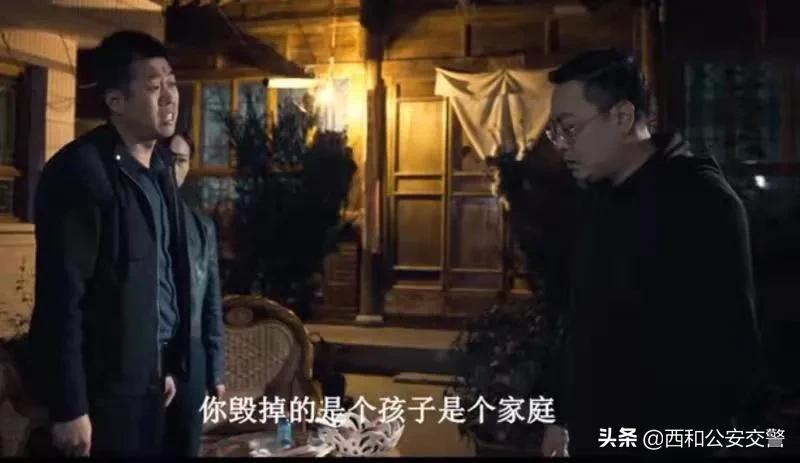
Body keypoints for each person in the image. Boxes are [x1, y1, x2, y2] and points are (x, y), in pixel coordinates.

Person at [538, 49, 764, 456]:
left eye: (570, 129)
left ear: (623, 117)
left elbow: (728, 351)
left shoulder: (700, 201)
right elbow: (577, 319)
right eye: (555, 133)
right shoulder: (597, 197)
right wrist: (560, 416)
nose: (562, 146)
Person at [27, 30, 191, 457]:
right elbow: (62, 294)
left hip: (152, 379)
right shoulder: (81, 171)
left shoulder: (160, 169)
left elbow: (163, 278)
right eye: (154, 88)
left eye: (172, 84)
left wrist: (166, 363)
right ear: (116, 100)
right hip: (102, 389)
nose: (170, 98)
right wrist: (69, 405)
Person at [161, 132, 225, 457]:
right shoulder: (137, 218)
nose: (174, 168)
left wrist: (216, 370)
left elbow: (211, 301)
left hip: (192, 349)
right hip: (150, 352)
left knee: (186, 444)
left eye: (182, 161)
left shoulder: (201, 227)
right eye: (168, 159)